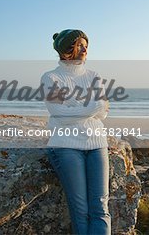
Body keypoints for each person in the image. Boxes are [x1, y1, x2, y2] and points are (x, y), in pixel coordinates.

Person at [42, 29, 111, 235]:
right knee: (80, 210)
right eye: (79, 44)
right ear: (66, 50)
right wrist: (92, 107)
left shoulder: (93, 76)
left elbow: (103, 115)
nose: (85, 48)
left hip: (97, 143)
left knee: (100, 208)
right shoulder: (51, 77)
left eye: (85, 45)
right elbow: (58, 112)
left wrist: (75, 107)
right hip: (65, 146)